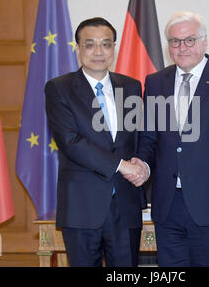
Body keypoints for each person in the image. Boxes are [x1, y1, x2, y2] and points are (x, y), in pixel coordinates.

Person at [131, 11, 209, 267]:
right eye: (175, 41)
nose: (182, 47)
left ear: (204, 42)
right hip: (168, 208)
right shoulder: (156, 82)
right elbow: (150, 138)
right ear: (169, 46)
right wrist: (142, 163)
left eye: (190, 40)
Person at [45, 17, 147, 267]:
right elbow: (70, 141)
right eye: (90, 45)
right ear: (78, 48)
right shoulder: (59, 88)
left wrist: (143, 164)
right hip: (82, 207)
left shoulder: (131, 87)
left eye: (106, 44)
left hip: (125, 206)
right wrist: (122, 165)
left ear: (114, 47)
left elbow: (140, 136)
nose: (99, 52)